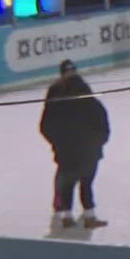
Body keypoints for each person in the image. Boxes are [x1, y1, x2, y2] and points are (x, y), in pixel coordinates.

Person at [39, 60, 110, 229]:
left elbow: (46, 125)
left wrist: (57, 143)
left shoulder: (55, 95)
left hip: (68, 150)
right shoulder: (84, 91)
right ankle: (87, 216)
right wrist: (98, 142)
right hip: (87, 149)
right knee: (85, 183)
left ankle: (67, 216)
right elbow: (101, 120)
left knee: (68, 183)